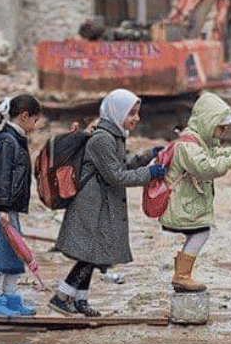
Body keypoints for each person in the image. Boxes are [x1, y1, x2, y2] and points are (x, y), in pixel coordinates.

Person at [49, 88, 165, 316]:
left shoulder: (114, 136)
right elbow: (116, 176)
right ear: (117, 112)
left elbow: (119, 168)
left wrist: (144, 157)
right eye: (131, 113)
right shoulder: (103, 139)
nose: (136, 118)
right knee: (91, 254)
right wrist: (150, 173)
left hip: (101, 206)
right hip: (91, 207)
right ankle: (61, 297)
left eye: (137, 113)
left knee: (95, 254)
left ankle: (79, 300)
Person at [157, 92, 231, 292]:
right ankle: (182, 276)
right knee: (201, 232)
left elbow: (215, 154)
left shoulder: (199, 141)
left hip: (187, 203)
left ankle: (182, 274)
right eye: (221, 127)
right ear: (209, 122)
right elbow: (207, 167)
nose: (224, 132)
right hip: (181, 205)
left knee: (200, 232)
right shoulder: (187, 145)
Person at [0, 94, 43, 317]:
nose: (36, 124)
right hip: (0, 208)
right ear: (24, 116)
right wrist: (3, 208)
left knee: (15, 253)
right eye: (35, 119)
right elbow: (2, 176)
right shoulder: (7, 141)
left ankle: (11, 298)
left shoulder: (16, 139)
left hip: (8, 207)